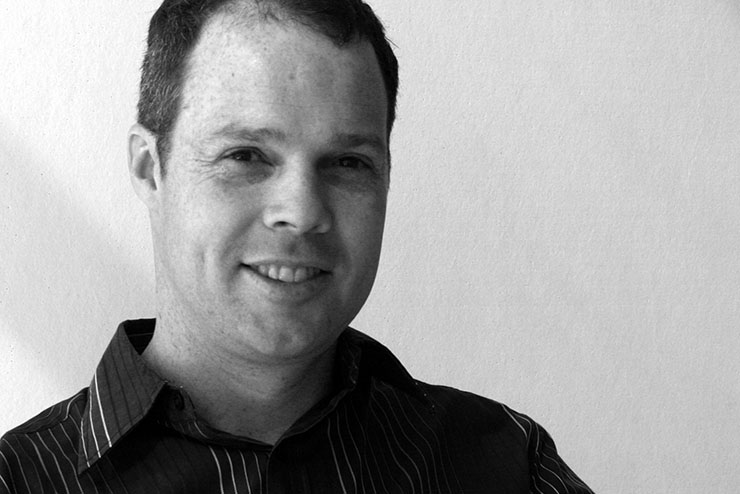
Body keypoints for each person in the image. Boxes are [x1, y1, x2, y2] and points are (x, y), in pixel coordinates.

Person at [0, 0, 594, 492]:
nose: (303, 212)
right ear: (150, 168)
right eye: (246, 155)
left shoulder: (506, 465)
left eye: (347, 163)